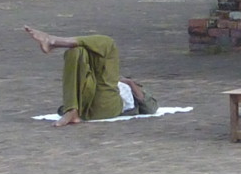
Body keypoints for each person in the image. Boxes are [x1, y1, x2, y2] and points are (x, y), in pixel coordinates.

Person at [24, 26, 157, 127]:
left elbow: (150, 108)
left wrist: (130, 83)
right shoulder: (108, 75)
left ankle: (53, 41)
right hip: (85, 102)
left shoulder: (132, 90)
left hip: (106, 106)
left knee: (108, 44)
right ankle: (72, 111)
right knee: (77, 51)